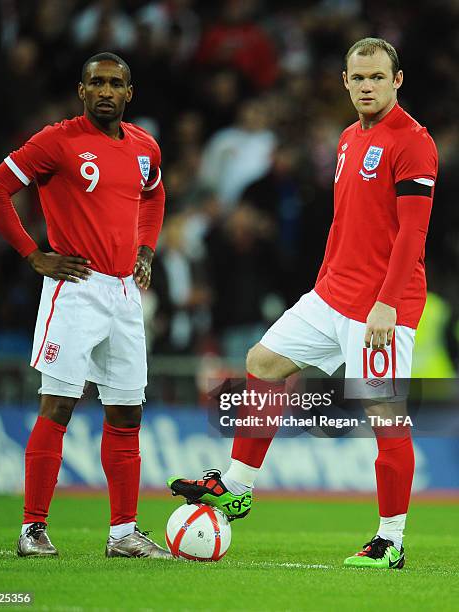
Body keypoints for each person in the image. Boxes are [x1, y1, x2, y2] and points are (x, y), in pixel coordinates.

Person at [168, 38, 438, 569]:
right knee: (261, 363)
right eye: (358, 78)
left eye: (377, 78)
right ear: (344, 82)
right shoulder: (346, 139)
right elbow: (344, 222)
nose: (367, 86)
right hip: (332, 296)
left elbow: (413, 233)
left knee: (384, 417)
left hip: (380, 309)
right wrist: (321, 283)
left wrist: (386, 304)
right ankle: (238, 486)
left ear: (397, 80)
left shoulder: (413, 143)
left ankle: (391, 541)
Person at [0, 52, 171, 559]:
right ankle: (32, 529)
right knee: (59, 405)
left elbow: (154, 196)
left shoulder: (145, 148)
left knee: (127, 414)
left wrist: (146, 249)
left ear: (130, 94)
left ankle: (123, 534)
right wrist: (33, 255)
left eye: (115, 84)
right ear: (81, 91)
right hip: (75, 289)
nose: (106, 91)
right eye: (96, 83)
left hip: (126, 293)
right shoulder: (56, 142)